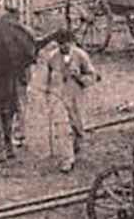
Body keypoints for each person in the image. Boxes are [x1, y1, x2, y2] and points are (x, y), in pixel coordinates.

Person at [42, 29, 98, 172]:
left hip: (76, 96)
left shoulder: (81, 56)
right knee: (62, 128)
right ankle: (67, 160)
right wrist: (48, 95)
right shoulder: (51, 57)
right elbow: (45, 80)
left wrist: (80, 77)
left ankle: (77, 146)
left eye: (66, 44)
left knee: (77, 126)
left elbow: (92, 77)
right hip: (58, 96)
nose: (64, 47)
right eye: (61, 44)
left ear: (71, 43)